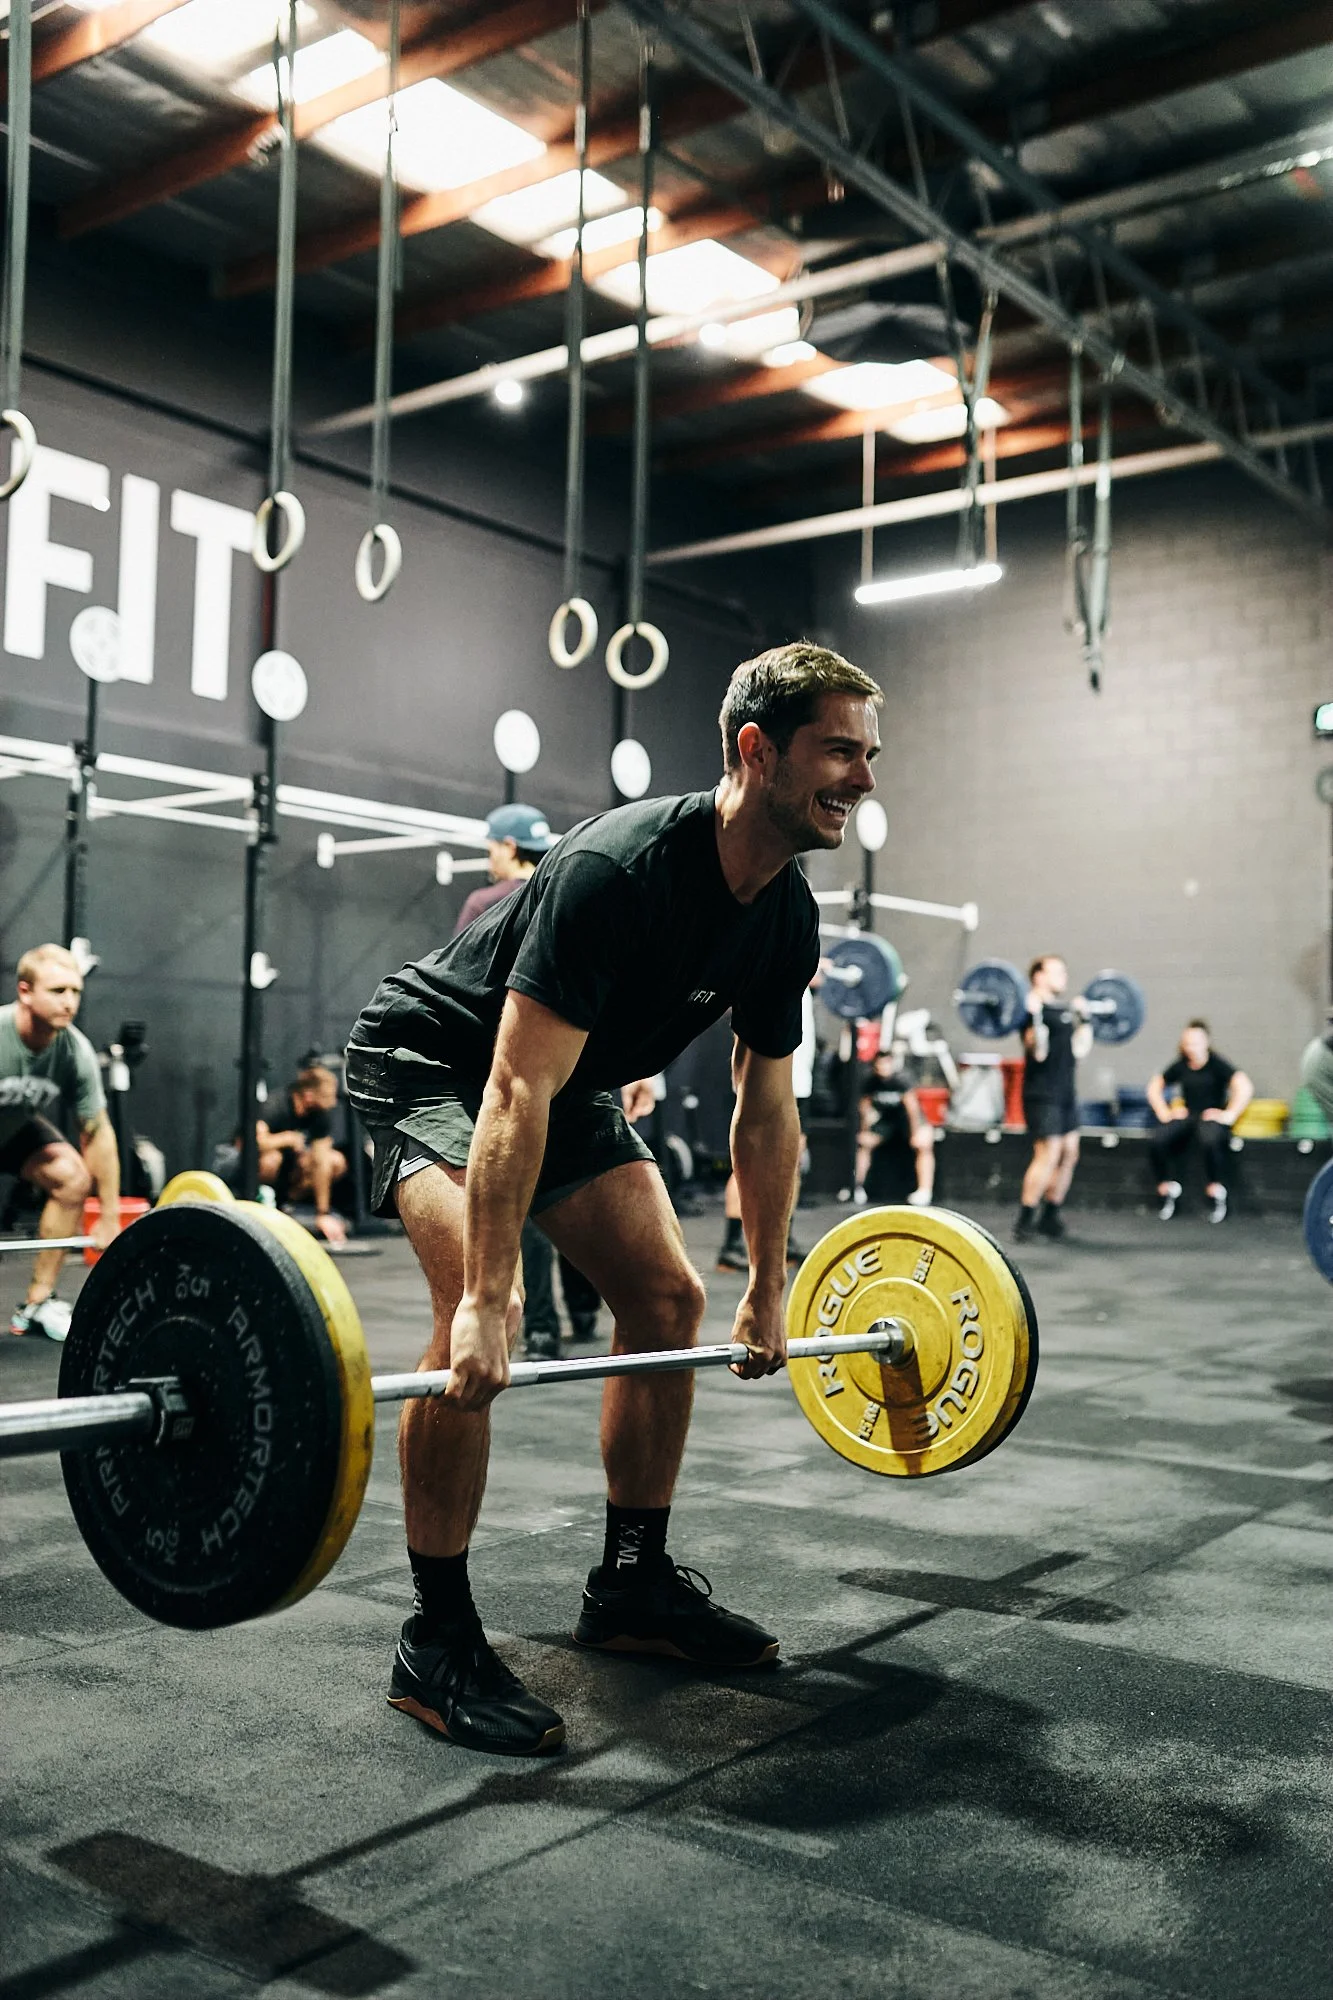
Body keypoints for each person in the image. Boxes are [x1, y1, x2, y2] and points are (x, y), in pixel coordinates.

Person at [344, 641, 882, 1755]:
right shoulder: (618, 868)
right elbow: (511, 1085)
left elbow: (765, 1108)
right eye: (839, 750)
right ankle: (434, 1638)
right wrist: (488, 1297)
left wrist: (767, 1282)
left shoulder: (785, 912)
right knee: (477, 1311)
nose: (864, 778)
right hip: (436, 1062)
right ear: (757, 750)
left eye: (867, 754)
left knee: (668, 1299)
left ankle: (631, 1586)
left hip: (560, 1077)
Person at [0, 943, 120, 1338]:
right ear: (25, 992)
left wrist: (108, 1215)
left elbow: (97, 1131)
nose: (69, 1002)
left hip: (13, 1129)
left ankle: (37, 1302)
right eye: (57, 991)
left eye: (75, 991)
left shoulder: (74, 1050)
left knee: (72, 1178)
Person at [717, 974, 818, 1271]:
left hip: (799, 1083)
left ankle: (781, 1240)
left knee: (791, 1162)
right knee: (747, 1163)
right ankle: (733, 1245)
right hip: (769, 1080)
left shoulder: (797, 971)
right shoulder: (765, 969)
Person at [1014, 954, 1092, 1243]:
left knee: (1070, 1152)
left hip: (1066, 1091)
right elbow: (1037, 1051)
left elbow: (1079, 1050)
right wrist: (1034, 1017)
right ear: (1038, 976)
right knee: (1048, 1152)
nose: (1063, 976)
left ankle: (1050, 1215)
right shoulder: (1028, 1010)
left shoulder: (1063, 1011)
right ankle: (1025, 1220)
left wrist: (1084, 1019)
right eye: (1057, 971)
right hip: (1042, 1093)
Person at [1147, 1021, 1253, 1223]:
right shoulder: (1181, 1065)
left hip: (1211, 1116)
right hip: (1189, 1115)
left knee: (1210, 1140)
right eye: (1188, 1043)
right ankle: (1167, 1188)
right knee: (1158, 1139)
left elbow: (1244, 1085)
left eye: (1196, 1042)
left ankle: (1216, 1190)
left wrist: (1229, 1114)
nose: (1191, 1047)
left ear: (1206, 1042)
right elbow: (1154, 1086)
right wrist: (1165, 1113)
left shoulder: (1217, 1064)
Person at [256, 1064, 349, 1247]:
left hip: (290, 1169)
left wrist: (322, 1213)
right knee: (272, 1159)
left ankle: (289, 1205)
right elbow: (253, 1142)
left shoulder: (320, 1115)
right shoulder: (275, 1105)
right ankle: (262, 1205)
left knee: (335, 1161)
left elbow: (321, 1161)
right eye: (327, 1097)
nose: (333, 1102)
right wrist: (286, 1139)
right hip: (249, 1165)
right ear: (308, 1096)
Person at [853, 1046, 935, 1207]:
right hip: (887, 1122)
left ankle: (925, 1191)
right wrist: (865, 1130)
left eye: (886, 1063)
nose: (883, 1067)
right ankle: (856, 1187)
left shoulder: (902, 1080)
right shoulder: (870, 1082)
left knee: (922, 1144)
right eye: (879, 1064)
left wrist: (915, 1132)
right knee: (864, 1143)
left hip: (908, 1122)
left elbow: (912, 1109)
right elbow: (864, 1107)